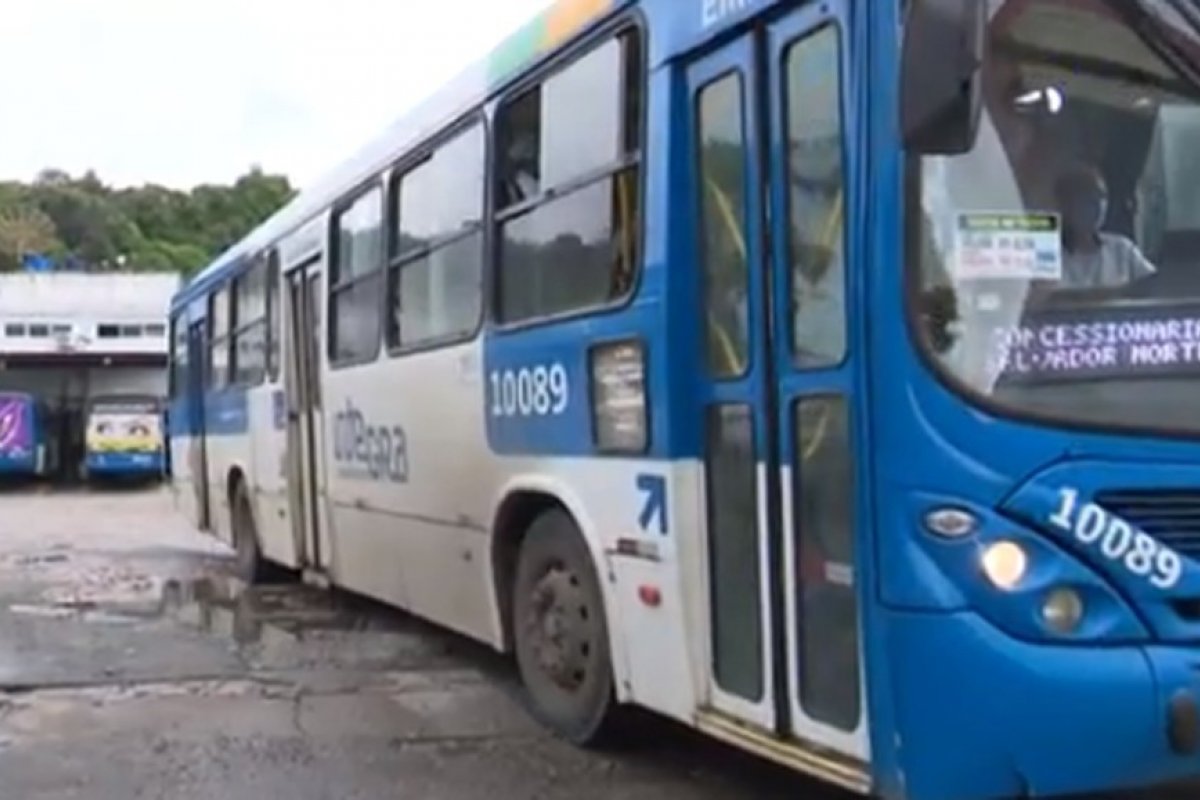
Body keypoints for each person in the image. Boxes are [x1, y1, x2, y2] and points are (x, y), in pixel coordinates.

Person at [1054, 163, 1157, 290]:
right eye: (1087, 198)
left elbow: (1153, 286)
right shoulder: (1047, 254)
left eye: (1102, 197)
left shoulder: (1122, 249)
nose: (1098, 205)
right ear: (1066, 204)